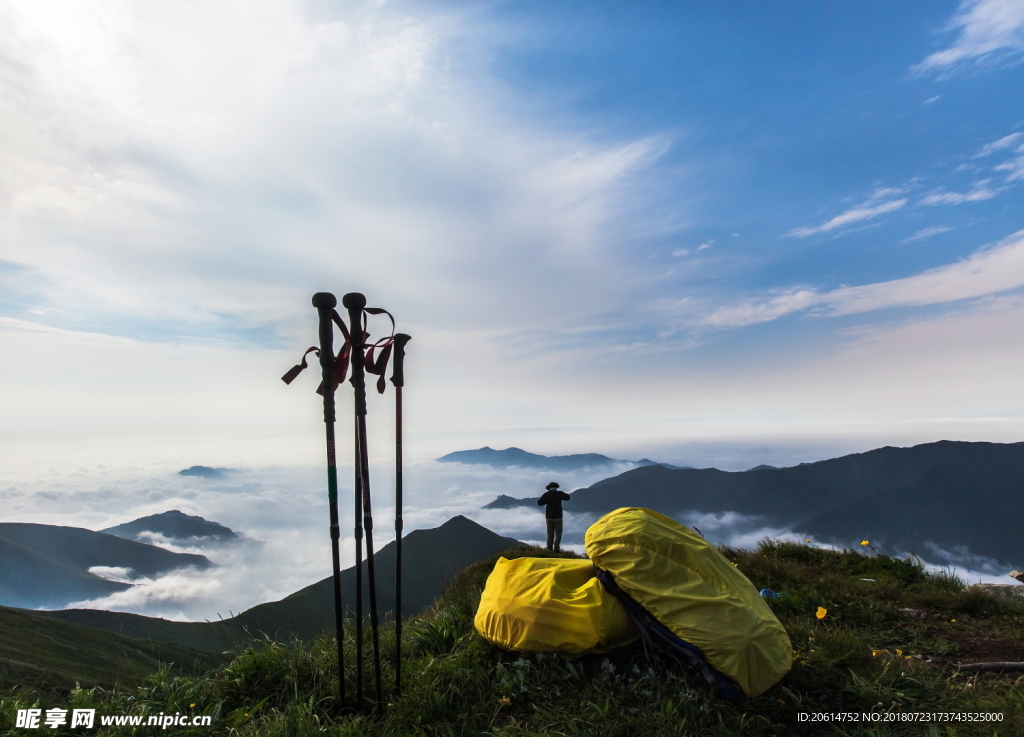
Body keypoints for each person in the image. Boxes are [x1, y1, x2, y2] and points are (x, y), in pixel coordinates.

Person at [537, 481, 570, 552]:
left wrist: (547, 501)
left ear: (549, 488)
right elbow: (568, 497)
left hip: (549, 516)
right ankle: (556, 547)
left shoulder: (546, 494)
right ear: (556, 487)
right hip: (558, 516)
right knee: (558, 532)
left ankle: (549, 547)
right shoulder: (559, 494)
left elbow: (539, 503)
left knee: (550, 532)